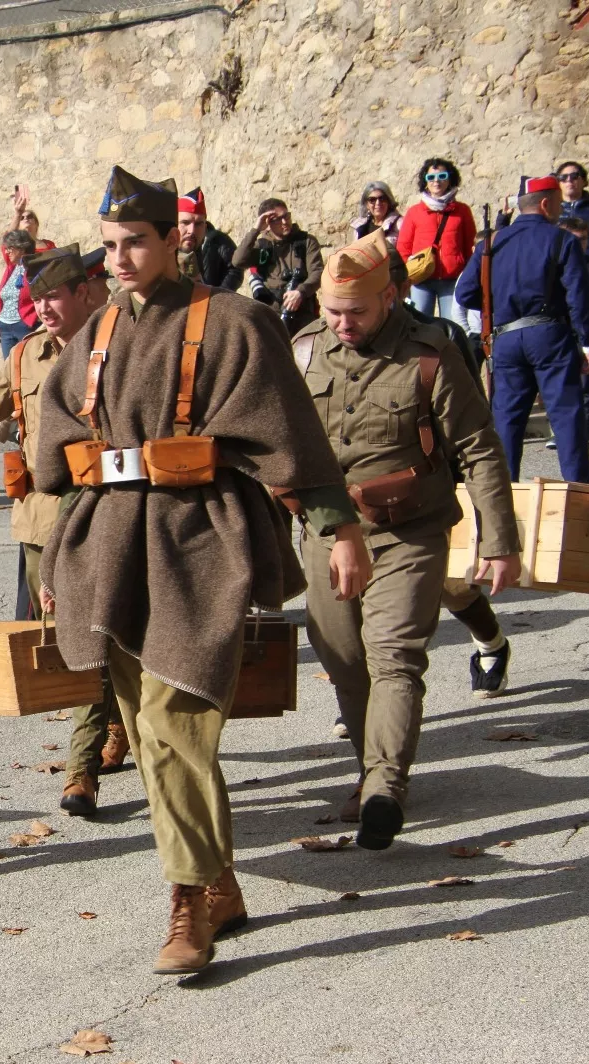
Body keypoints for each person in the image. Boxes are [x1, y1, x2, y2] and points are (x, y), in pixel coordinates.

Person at [35, 166, 368, 975]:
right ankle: (219, 884)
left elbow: (295, 440)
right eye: (110, 246)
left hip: (199, 546)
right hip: (111, 550)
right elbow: (56, 458)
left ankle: (186, 901)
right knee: (153, 733)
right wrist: (55, 557)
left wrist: (338, 531)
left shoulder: (234, 322)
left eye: (135, 243)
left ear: (172, 241)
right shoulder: (94, 335)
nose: (120, 259)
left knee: (171, 722)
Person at [294, 231, 519, 849]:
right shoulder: (304, 351)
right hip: (328, 533)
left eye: (357, 312)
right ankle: (368, 772)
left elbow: (478, 448)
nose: (343, 324)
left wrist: (498, 539)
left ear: (390, 298)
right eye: (332, 311)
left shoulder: (430, 355)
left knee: (393, 656)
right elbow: (280, 446)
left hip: (409, 533)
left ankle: (384, 789)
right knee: (344, 662)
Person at [0, 245, 129, 813]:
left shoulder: (122, 346)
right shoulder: (24, 357)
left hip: (111, 514)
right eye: (35, 299)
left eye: (53, 296)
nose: (42, 308)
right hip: (43, 520)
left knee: (102, 633)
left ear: (85, 294)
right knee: (71, 638)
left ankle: (83, 763)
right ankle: (100, 739)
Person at [382, 244, 513, 703]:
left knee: (451, 584)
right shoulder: (333, 342)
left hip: (434, 481)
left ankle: (491, 642)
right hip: (366, 490)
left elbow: (471, 421)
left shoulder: (442, 335)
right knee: (362, 594)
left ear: (401, 289)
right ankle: (362, 697)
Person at [455, 175, 589, 485]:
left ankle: (502, 499)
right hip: (550, 336)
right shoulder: (562, 240)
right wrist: (588, 343)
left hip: (506, 338)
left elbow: (464, 293)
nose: (560, 209)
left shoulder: (493, 242)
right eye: (558, 203)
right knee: (566, 419)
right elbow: (578, 296)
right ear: (546, 204)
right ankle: (580, 497)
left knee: (506, 423)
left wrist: (499, 302)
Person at [398, 158, 476, 330]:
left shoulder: (462, 211)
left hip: (452, 279)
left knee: (453, 326)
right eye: (431, 177)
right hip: (421, 279)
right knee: (419, 326)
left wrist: (468, 273)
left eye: (442, 176)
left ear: (450, 179)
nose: (436, 181)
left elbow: (470, 246)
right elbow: (403, 247)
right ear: (425, 181)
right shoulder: (414, 212)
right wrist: (406, 275)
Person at [232, 198, 323, 335]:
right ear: (267, 223)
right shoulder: (262, 246)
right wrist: (256, 230)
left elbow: (317, 272)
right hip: (271, 315)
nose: (285, 222)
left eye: (286, 216)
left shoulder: (306, 241)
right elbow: (238, 261)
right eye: (277, 219)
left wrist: (301, 292)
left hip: (303, 313)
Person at [176, 188, 242, 291]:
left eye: (198, 224)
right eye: (185, 222)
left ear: (205, 227)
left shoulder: (217, 240)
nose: (192, 231)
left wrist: (219, 294)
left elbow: (235, 267)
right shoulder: (161, 253)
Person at [0, 229, 39, 359]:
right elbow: (0, 295)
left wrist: (33, 318)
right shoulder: (12, 268)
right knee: (10, 367)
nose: (6, 251)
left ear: (22, 248)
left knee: (28, 364)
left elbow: (41, 295)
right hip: (5, 327)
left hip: (24, 326)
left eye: (10, 248)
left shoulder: (34, 268)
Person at [9, 186, 56, 253]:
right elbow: (8, 240)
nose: (26, 218)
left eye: (30, 216)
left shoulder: (49, 244)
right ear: (18, 226)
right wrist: (18, 213)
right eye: (22, 218)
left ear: (36, 223)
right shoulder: (17, 247)